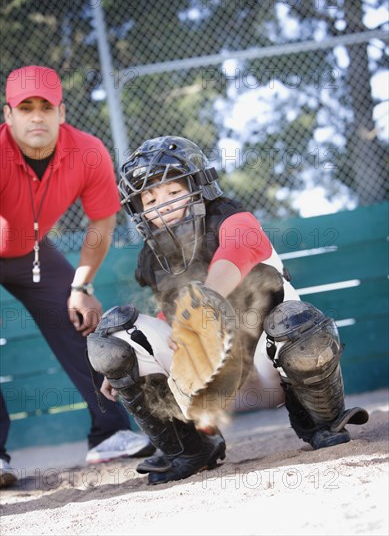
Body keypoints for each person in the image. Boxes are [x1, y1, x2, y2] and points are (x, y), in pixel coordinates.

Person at [87, 135, 369, 486]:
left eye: (173, 192)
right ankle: (191, 447)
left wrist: (201, 305)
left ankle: (322, 422)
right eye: (150, 198)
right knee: (115, 337)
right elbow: (165, 319)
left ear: (199, 186)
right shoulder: (152, 257)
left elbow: (233, 256)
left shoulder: (231, 218)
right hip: (205, 388)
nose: (162, 205)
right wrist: (122, 367)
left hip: (272, 370)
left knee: (296, 321)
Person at [0, 66, 153, 488]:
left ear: (61, 112)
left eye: (45, 107)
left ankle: (109, 433)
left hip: (29, 251)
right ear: (8, 114)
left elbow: (100, 223)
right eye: (25, 107)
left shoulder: (87, 152)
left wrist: (81, 286)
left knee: (81, 319)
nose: (36, 117)